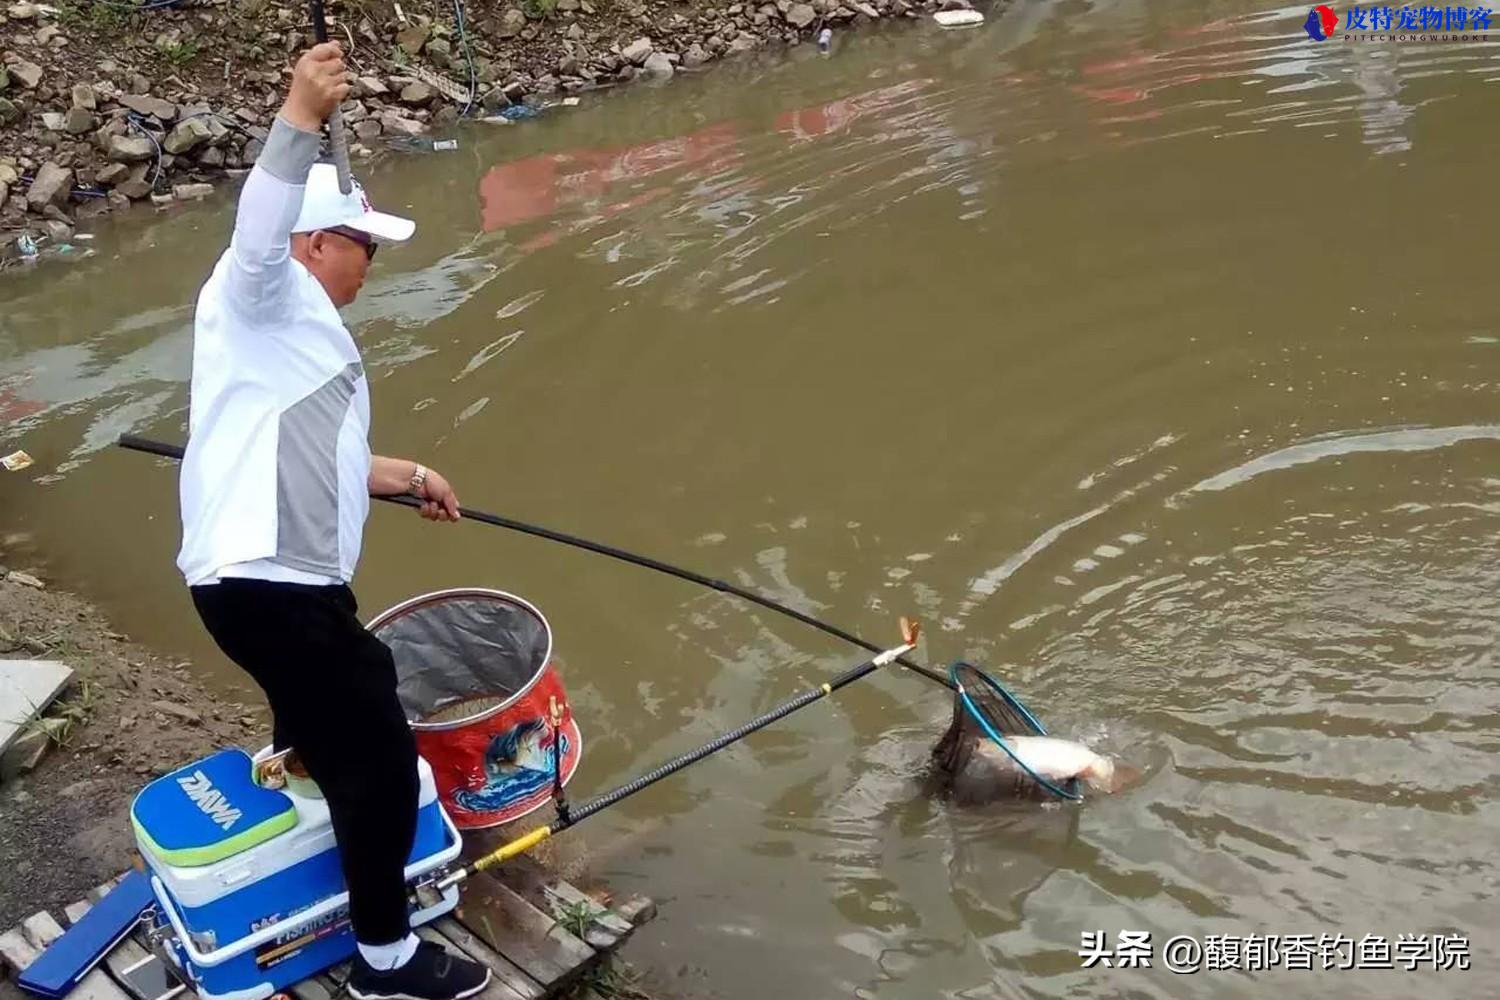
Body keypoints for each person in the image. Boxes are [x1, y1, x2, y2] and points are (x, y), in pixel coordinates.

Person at [175, 41, 491, 1000]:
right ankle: (386, 963)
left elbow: (319, 458)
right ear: (314, 244)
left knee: (328, 719)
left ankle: (306, 796)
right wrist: (300, 114)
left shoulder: (289, 343)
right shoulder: (260, 293)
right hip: (271, 583)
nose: (372, 264)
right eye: (363, 245)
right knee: (381, 754)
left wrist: (408, 475)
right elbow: (256, 231)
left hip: (270, 585)